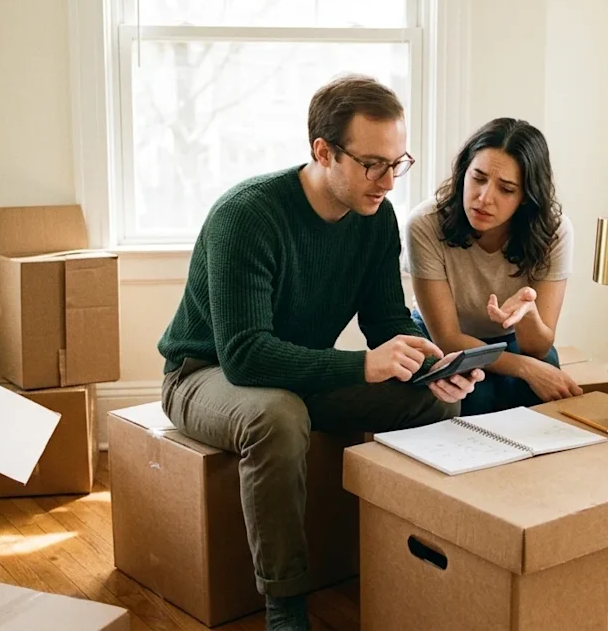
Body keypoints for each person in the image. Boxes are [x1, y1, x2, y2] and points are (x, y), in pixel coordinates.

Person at [156, 74, 482, 631]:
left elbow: (385, 321)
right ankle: (284, 603)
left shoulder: (375, 219)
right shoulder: (247, 216)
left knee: (433, 404)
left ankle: (408, 564)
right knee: (278, 415)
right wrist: (363, 364)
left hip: (297, 373)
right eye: (372, 164)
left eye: (397, 163)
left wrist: (432, 368)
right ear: (323, 151)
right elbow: (245, 356)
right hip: (202, 372)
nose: (388, 182)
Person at [403, 117, 581, 416]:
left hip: (513, 340)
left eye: (506, 189)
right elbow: (447, 338)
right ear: (463, 174)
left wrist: (526, 315)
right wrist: (526, 369)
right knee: (475, 397)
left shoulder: (554, 232)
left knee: (542, 395)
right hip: (445, 339)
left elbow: (537, 348)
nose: (484, 198)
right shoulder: (425, 223)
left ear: (526, 197)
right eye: (478, 178)